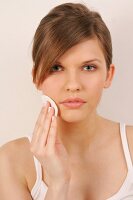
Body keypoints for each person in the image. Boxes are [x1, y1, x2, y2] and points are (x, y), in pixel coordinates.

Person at [0, 2, 133, 200]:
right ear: (36, 77)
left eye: (88, 67)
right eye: (56, 67)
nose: (73, 85)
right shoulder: (11, 161)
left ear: (108, 75)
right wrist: (58, 183)